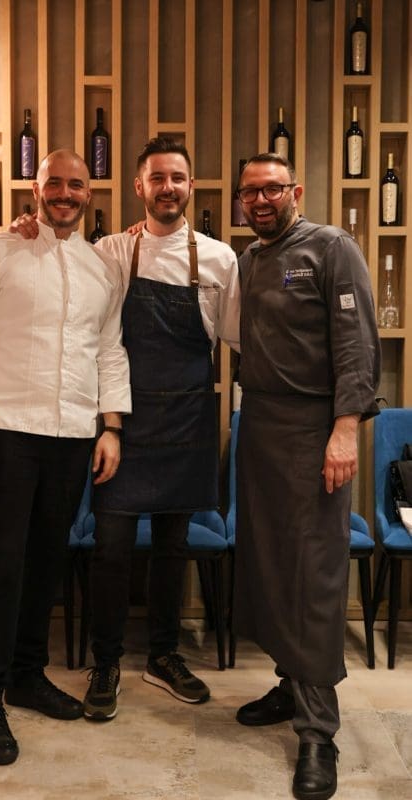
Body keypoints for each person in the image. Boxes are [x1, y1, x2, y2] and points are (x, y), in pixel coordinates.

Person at [10, 137, 240, 722]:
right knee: (110, 548)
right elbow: (60, 264)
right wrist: (26, 227)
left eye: (178, 178)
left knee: (172, 547)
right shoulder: (110, 251)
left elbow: (239, 338)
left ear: (191, 186)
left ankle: (163, 655)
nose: (168, 187)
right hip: (124, 422)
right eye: (157, 178)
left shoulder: (220, 259)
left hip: (187, 419)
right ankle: (106, 660)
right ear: (139, 187)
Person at [0, 149, 131, 765]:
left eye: (76, 185)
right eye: (55, 183)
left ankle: (26, 675)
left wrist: (110, 427)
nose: (65, 194)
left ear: (88, 194)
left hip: (73, 435)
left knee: (48, 562)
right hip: (5, 430)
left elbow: (109, 350)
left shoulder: (101, 267)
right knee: (1, 565)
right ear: (36, 187)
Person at [233, 153, 380, 800]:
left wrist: (344, 430)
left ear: (295, 190)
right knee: (269, 565)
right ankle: (290, 683)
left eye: (272, 189)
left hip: (315, 429)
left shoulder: (331, 248)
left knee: (314, 575)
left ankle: (318, 732)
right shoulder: (247, 259)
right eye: (250, 192)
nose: (261, 200)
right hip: (260, 426)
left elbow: (357, 344)